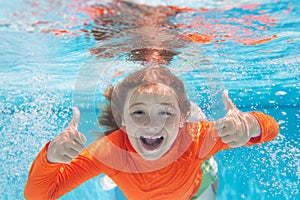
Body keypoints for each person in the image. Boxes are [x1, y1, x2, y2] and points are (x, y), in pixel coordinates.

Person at [24, 66, 278, 200]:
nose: (152, 125)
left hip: (194, 191)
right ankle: (115, 177)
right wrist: (51, 158)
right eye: (139, 113)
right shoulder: (108, 151)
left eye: (165, 113)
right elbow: (39, 195)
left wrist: (250, 126)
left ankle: (207, 164)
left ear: (181, 118)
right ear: (122, 119)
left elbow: (271, 129)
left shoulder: (197, 137)